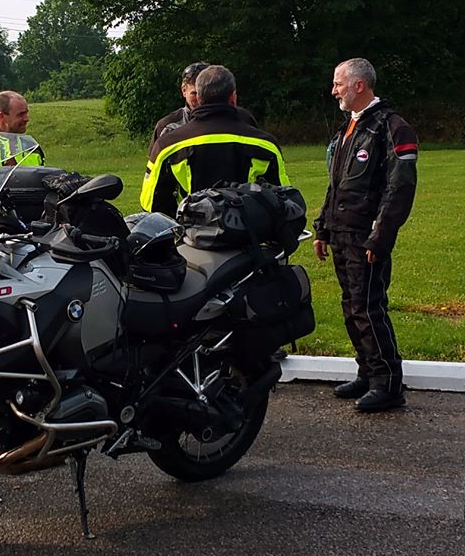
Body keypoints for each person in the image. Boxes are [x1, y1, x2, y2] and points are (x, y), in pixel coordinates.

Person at [313, 58, 417, 413]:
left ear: (359, 85)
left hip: (366, 236)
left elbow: (399, 188)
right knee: (351, 306)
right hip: (341, 231)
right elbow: (336, 184)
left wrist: (380, 236)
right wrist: (323, 227)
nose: (334, 91)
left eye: (338, 83)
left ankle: (388, 383)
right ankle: (367, 373)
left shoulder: (392, 127)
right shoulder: (349, 127)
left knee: (368, 308)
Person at [141, 65, 290, 217]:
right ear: (233, 98)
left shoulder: (168, 145)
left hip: (192, 228)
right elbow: (285, 201)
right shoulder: (266, 144)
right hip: (249, 228)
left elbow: (151, 203)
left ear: (199, 98)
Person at [148, 62, 258, 154]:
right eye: (194, 93)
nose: (199, 98)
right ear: (184, 90)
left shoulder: (243, 118)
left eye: (205, 92)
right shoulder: (167, 126)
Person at [0, 90, 44, 167]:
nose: (26, 119)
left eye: (26, 113)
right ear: (1, 116)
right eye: (20, 114)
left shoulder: (32, 147)